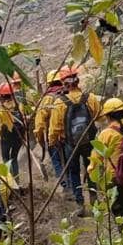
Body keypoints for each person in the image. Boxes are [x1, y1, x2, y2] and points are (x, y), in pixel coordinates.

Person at [47, 66, 102, 215]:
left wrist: (52, 142)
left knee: (74, 172)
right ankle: (94, 200)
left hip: (70, 143)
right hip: (89, 141)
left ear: (64, 83)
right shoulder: (89, 97)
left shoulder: (60, 102)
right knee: (90, 169)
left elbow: (54, 128)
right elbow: (99, 115)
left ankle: (80, 204)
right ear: (78, 80)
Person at [33, 70, 68, 195]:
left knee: (57, 161)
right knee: (68, 160)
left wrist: (41, 141)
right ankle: (73, 185)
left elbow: (39, 123)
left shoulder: (47, 99)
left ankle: (65, 185)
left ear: (49, 83)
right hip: (68, 135)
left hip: (53, 135)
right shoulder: (67, 93)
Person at [0, 78, 26, 180]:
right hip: (18, 137)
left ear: (1, 96)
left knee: (6, 159)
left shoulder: (0, 109)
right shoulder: (19, 106)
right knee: (14, 158)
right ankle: (16, 180)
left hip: (6, 139)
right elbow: (24, 119)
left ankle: (9, 181)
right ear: (12, 95)